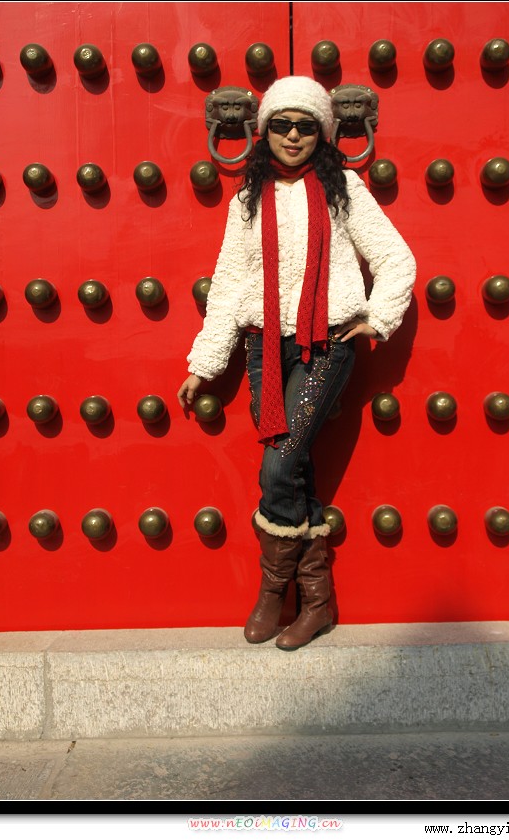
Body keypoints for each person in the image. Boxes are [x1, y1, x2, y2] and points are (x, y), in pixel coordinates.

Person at [177, 76, 416, 650]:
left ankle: (271, 591)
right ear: (264, 132)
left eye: (305, 126)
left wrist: (377, 317)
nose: (292, 135)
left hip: (327, 344)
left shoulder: (344, 190)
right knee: (295, 467)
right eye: (281, 125)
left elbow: (395, 257)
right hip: (264, 345)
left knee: (279, 468)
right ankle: (316, 601)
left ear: (322, 133)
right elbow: (229, 284)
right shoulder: (246, 201)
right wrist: (205, 363)